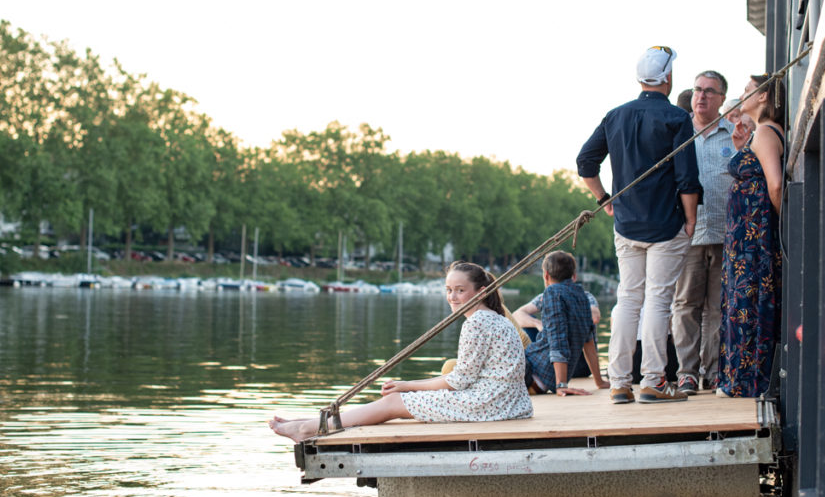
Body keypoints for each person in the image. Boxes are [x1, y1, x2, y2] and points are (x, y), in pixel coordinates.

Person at [269, 261, 533, 442]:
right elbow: (466, 378)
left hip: (491, 406)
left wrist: (407, 386)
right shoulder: (496, 317)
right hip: (509, 403)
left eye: (460, 291)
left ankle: (307, 428)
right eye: (449, 290)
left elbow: (458, 381)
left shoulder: (476, 322)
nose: (452, 297)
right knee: (397, 400)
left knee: (394, 403)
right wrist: (411, 388)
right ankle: (314, 421)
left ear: (480, 291)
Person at [576, 46, 702, 404]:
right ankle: (653, 381)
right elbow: (687, 178)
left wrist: (604, 200)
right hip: (666, 224)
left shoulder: (616, 115)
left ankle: (619, 383)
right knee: (658, 301)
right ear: (668, 78)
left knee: (628, 299)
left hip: (627, 225)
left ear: (639, 79)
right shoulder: (678, 119)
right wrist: (691, 219)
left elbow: (586, 161)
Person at [718, 75, 786, 398]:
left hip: (752, 239)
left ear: (764, 96)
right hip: (745, 236)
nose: (743, 94)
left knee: (747, 302)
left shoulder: (766, 133)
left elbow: (775, 184)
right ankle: (741, 377)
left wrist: (777, 225)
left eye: (748, 90)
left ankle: (746, 380)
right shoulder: (759, 134)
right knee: (743, 301)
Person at [670, 71, 737, 395]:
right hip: (689, 234)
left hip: (726, 234)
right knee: (685, 305)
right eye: (698, 89)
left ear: (722, 98)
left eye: (710, 91)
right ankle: (686, 373)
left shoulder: (735, 134)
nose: (702, 96)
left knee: (718, 308)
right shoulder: (679, 134)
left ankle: (712, 371)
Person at [521, 251, 601, 395]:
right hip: (546, 378)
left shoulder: (552, 292)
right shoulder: (583, 296)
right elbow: (589, 342)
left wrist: (561, 384)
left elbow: (558, 339)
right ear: (573, 275)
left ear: (546, 276)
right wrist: (599, 381)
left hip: (532, 371)